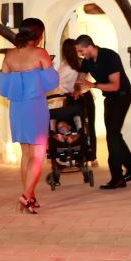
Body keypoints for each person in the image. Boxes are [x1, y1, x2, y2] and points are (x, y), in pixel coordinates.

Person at [0, 18, 58, 214]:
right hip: (35, 106)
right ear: (39, 35)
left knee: (26, 154)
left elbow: (4, 87)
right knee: (38, 155)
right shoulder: (40, 53)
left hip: (17, 108)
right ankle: (25, 196)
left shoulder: (9, 55)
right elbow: (52, 83)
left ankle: (30, 196)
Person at [76, 34, 131, 190]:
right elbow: (81, 78)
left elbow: (115, 86)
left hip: (122, 96)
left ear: (89, 46)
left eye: (81, 51)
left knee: (112, 136)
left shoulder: (109, 56)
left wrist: (92, 85)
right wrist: (77, 89)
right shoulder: (87, 61)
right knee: (115, 135)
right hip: (110, 98)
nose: (80, 54)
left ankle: (117, 178)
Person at [51, 38, 97, 166]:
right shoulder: (83, 63)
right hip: (86, 97)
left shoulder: (64, 67)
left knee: (75, 128)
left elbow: (59, 85)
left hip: (72, 99)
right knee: (89, 126)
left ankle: (75, 155)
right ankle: (92, 156)